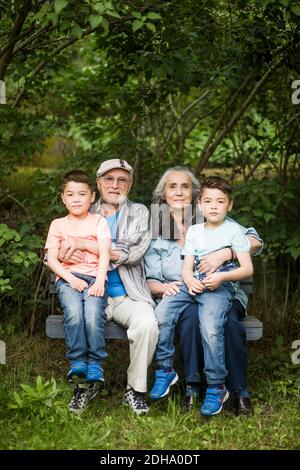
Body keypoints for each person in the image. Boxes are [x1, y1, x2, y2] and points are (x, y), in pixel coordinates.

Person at [144, 167, 263, 416]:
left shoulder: (211, 215)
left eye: (185, 187)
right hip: (186, 292)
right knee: (187, 320)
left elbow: (254, 240)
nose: (178, 192)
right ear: (163, 194)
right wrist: (167, 287)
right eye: (172, 187)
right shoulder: (158, 228)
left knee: (227, 322)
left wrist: (226, 253)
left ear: (194, 195)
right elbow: (151, 277)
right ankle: (192, 385)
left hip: (220, 290)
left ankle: (237, 389)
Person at [57, 159, 158, 415]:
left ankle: (135, 389)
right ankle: (84, 386)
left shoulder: (140, 213)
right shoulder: (83, 209)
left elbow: (132, 252)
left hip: (128, 294)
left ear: (130, 184)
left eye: (122, 180)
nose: (115, 185)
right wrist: (72, 248)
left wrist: (85, 244)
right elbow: (58, 248)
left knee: (147, 324)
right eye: (109, 179)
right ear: (98, 183)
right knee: (81, 317)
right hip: (87, 292)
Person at [45, 170, 111, 414]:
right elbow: (52, 260)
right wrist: (70, 278)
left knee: (93, 314)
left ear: (91, 197)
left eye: (81, 194)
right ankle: (77, 362)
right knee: (74, 313)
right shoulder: (58, 225)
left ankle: (95, 363)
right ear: (63, 198)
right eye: (70, 194)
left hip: (94, 279)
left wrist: (100, 280)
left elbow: (104, 252)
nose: (76, 199)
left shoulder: (98, 222)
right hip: (67, 280)